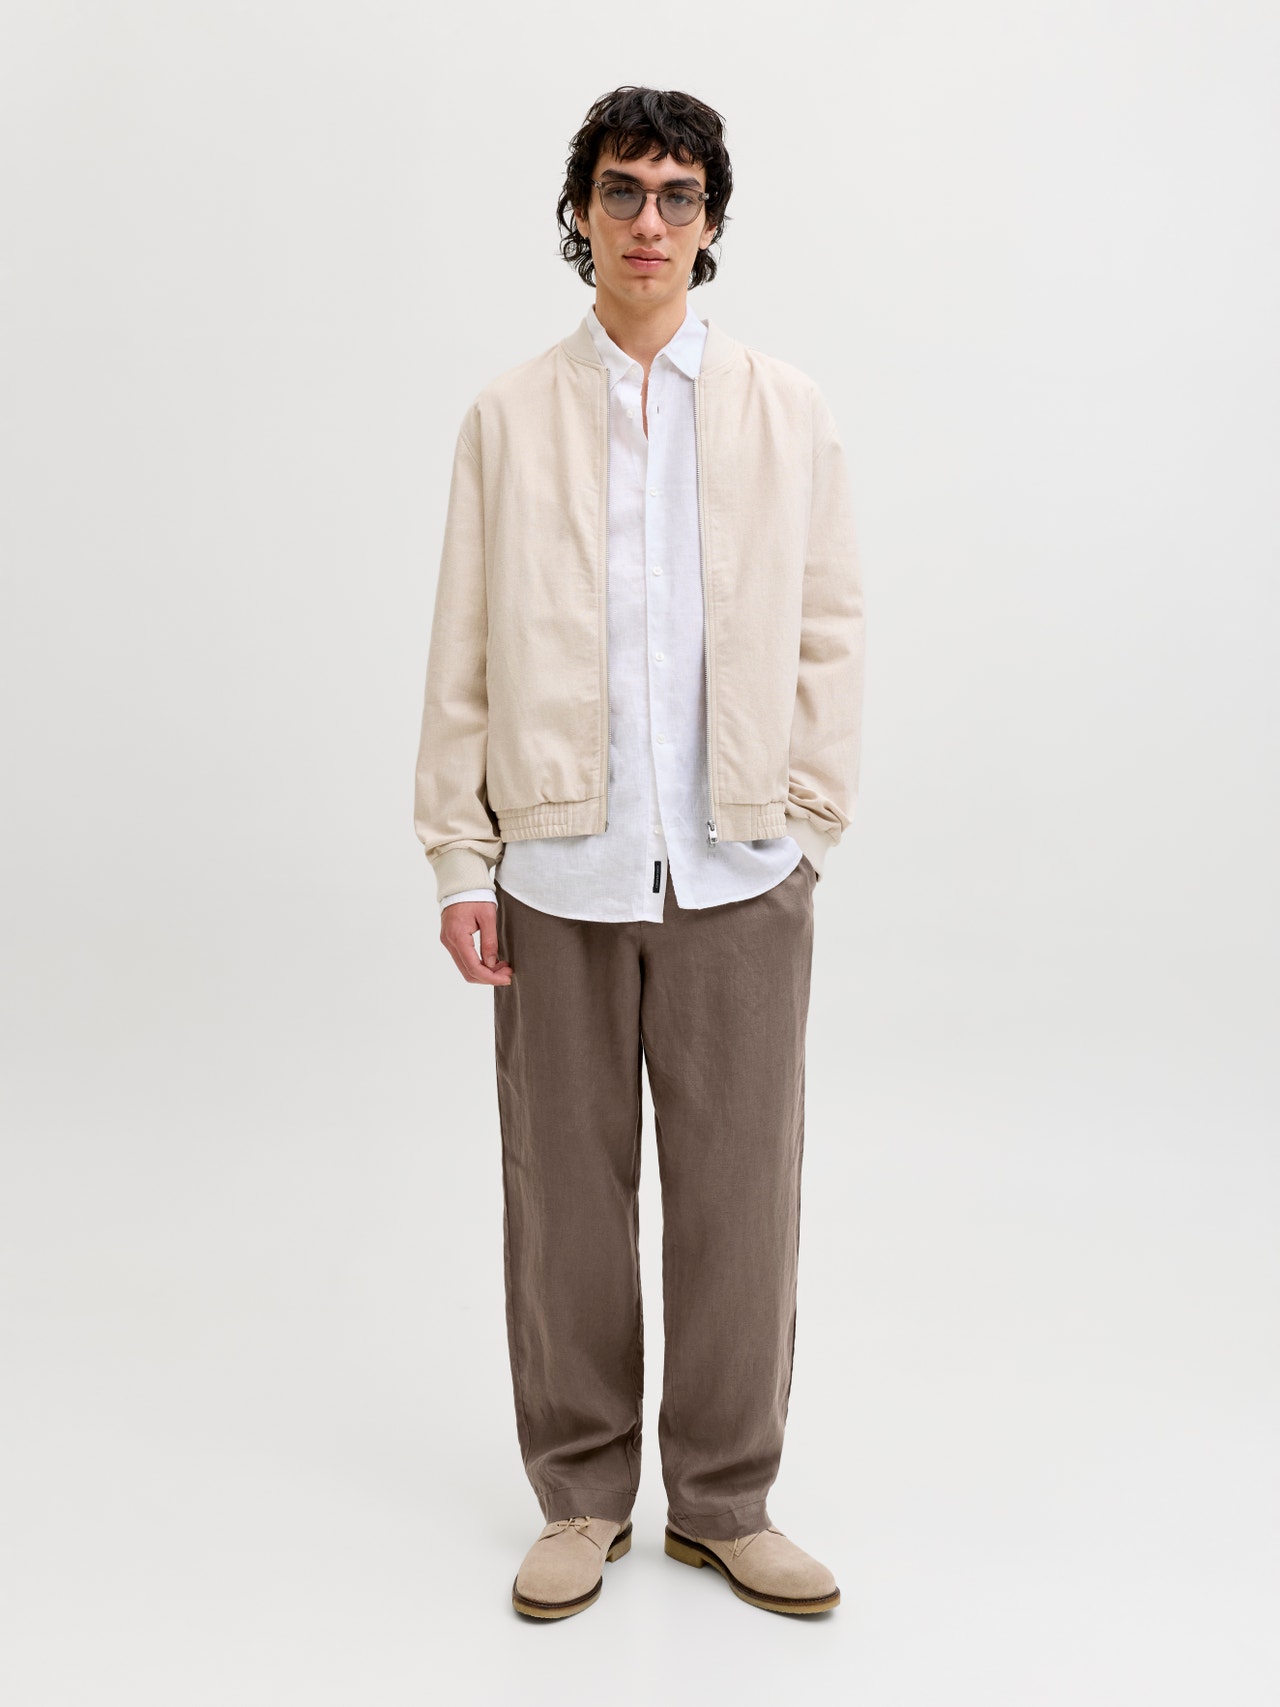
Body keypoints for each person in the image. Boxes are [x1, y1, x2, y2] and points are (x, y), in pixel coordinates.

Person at [413, 85, 865, 1619]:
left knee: (742, 1200)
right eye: (622, 191)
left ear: (711, 221)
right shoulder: (509, 417)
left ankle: (725, 1502)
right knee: (565, 1202)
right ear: (582, 214)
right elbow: (464, 649)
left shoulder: (786, 411)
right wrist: (460, 861)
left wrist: (806, 827)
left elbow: (830, 629)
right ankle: (581, 1496)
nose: (649, 222)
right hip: (559, 873)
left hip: (740, 869)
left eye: (678, 195)